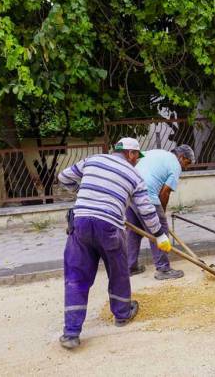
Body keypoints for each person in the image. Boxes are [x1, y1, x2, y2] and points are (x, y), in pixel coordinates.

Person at [57, 137, 172, 350]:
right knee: (118, 270)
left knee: (76, 277)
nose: (137, 160)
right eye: (137, 156)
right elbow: (146, 210)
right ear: (130, 153)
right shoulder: (134, 176)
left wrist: (83, 191)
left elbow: (63, 177)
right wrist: (160, 234)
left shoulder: (92, 160)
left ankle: (71, 333)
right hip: (109, 226)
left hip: (80, 222)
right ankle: (121, 314)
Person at [126, 145, 195, 280]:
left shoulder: (154, 152)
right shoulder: (175, 165)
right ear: (181, 157)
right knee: (160, 231)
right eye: (187, 163)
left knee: (134, 232)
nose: (186, 167)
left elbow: (133, 159)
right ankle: (163, 269)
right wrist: (161, 214)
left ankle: (130, 266)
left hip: (131, 193)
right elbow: (165, 192)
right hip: (147, 196)